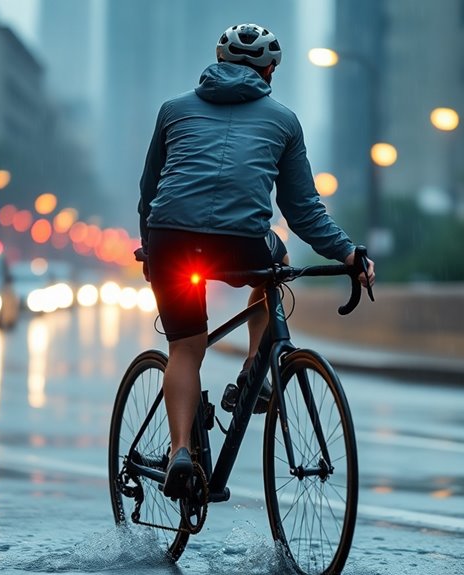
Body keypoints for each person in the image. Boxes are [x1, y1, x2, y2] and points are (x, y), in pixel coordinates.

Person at [138, 23, 374, 498]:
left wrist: (150, 248)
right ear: (270, 72)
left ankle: (180, 451)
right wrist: (349, 253)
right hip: (239, 243)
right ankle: (252, 369)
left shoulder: (173, 110)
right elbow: (303, 211)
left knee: (186, 348)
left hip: (171, 240)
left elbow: (150, 192)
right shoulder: (284, 120)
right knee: (275, 267)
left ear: (218, 61)